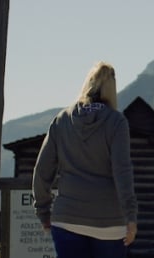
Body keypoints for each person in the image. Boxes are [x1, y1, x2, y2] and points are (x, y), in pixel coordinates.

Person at [32, 61, 138, 258]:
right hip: (109, 223)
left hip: (67, 219)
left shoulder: (62, 119)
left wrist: (43, 211)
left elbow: (42, 170)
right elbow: (122, 171)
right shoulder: (116, 122)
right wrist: (131, 217)